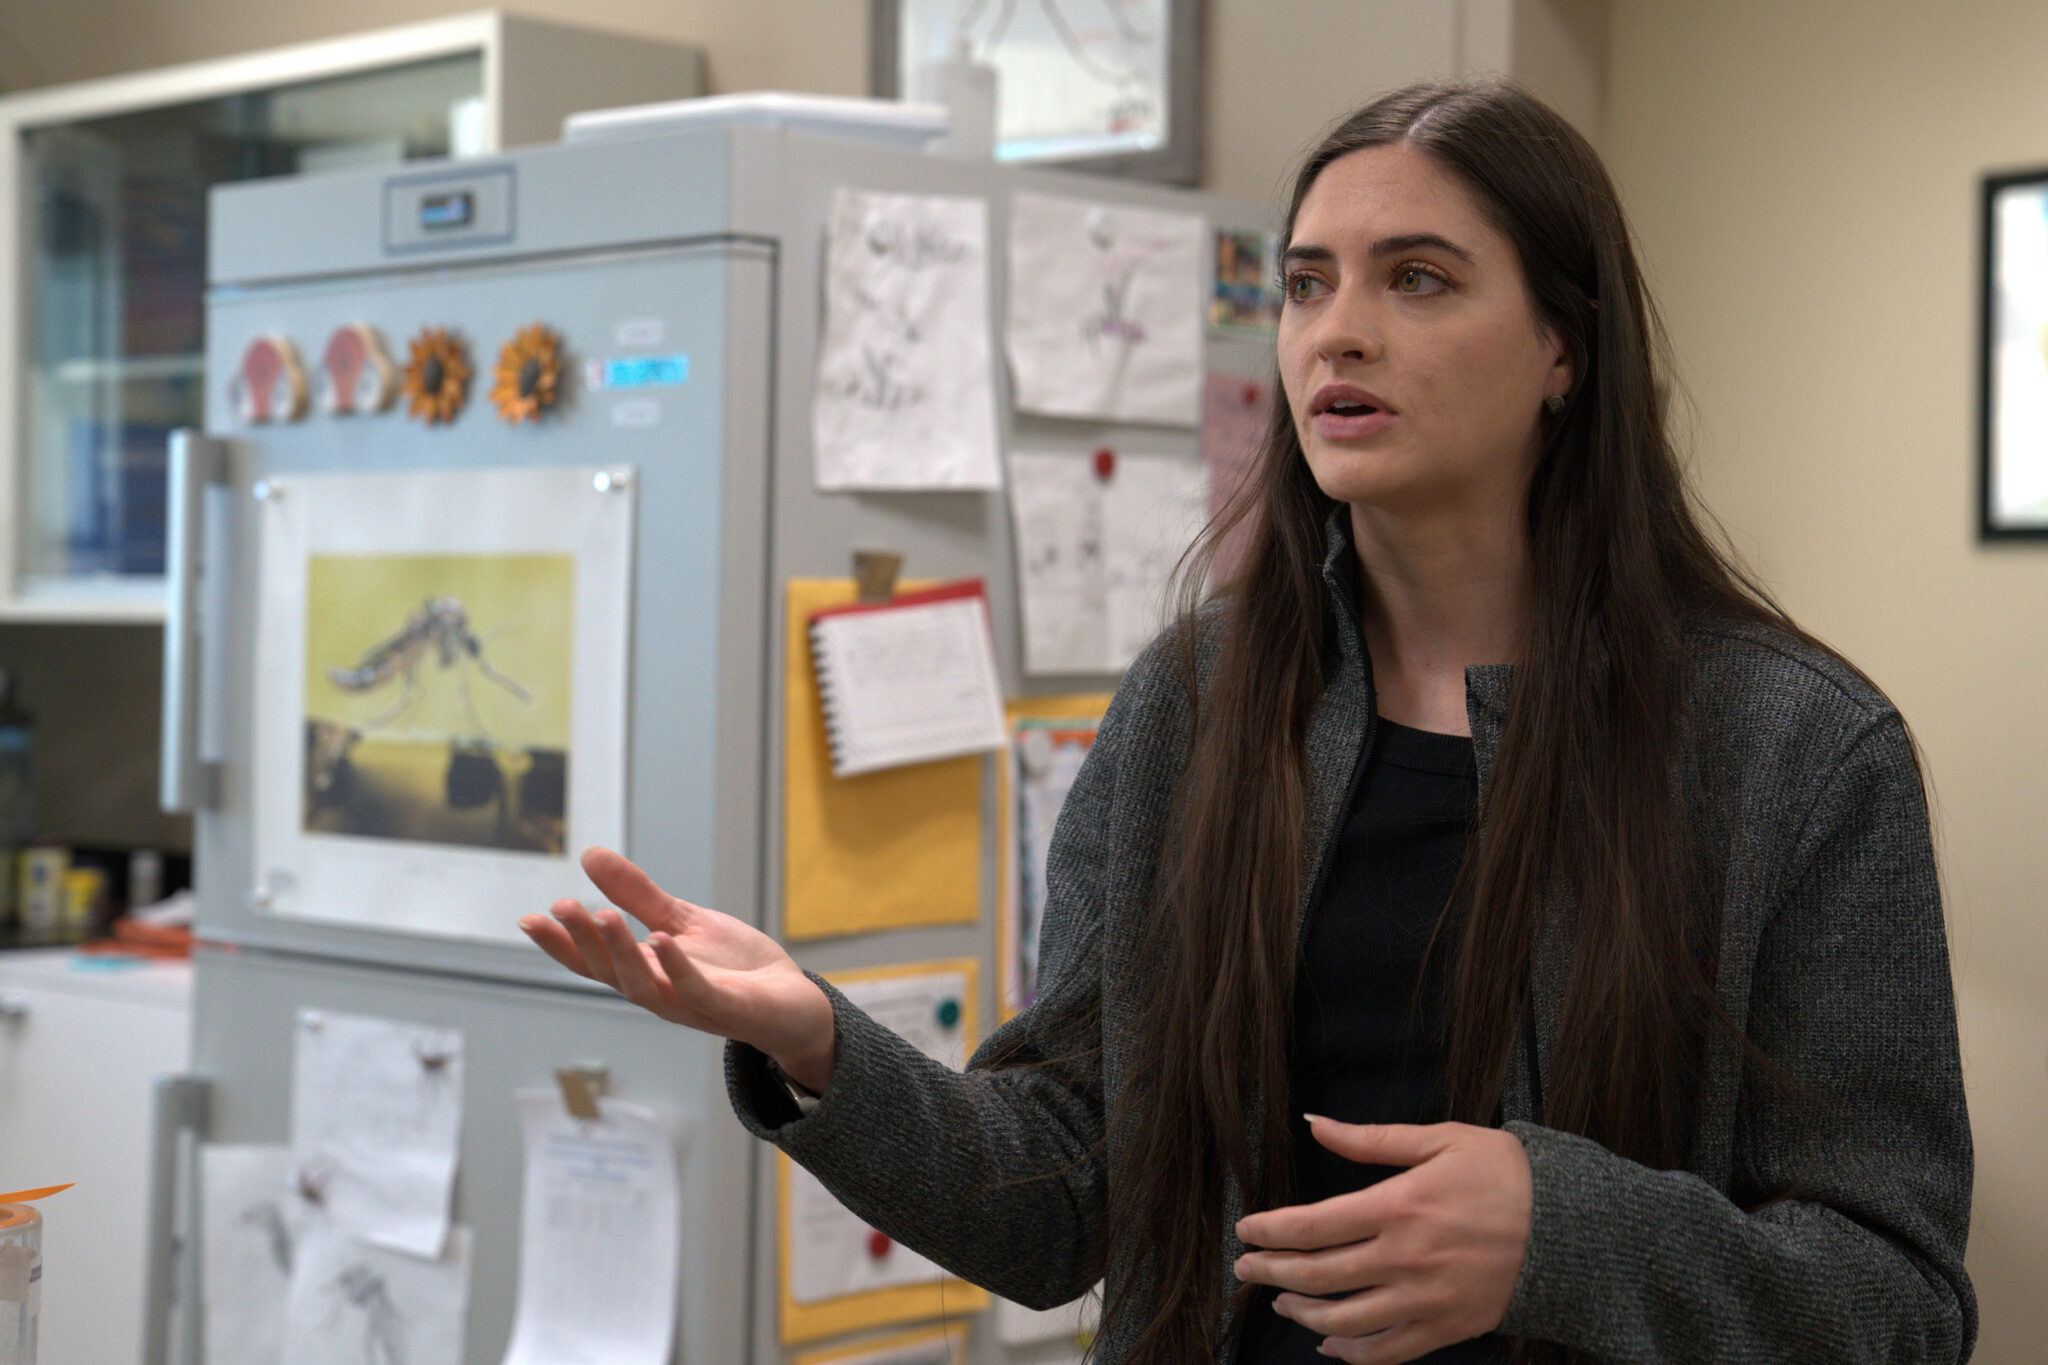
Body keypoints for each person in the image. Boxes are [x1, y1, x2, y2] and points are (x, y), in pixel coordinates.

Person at [520, 79, 1975, 1365]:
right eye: (1305, 283)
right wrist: (820, 1038)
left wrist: (1560, 1231)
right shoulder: (1196, 705)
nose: (1339, 331)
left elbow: (1896, 1303)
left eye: (1417, 279)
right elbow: (1064, 1193)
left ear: (1561, 351)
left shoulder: (1796, 751)